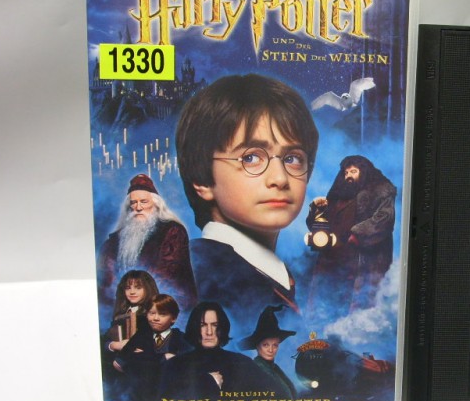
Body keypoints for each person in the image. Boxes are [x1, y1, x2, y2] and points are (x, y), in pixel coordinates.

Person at [175, 74, 319, 335]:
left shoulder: (271, 273)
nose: (280, 178)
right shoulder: (203, 277)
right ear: (202, 180)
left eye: (293, 158)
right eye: (251, 157)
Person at [306, 155, 396, 311]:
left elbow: (384, 219)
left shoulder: (379, 191)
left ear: (364, 172)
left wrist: (357, 234)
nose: (348, 176)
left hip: (359, 260)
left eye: (353, 171)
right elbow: (317, 228)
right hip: (332, 259)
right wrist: (316, 210)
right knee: (325, 304)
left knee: (357, 305)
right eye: (346, 172)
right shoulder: (338, 196)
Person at [97, 174, 196, 311]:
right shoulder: (115, 241)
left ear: (156, 205)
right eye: (133, 203)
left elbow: (166, 276)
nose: (138, 207)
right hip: (125, 306)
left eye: (144, 202)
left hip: (164, 307)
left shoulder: (172, 231)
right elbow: (106, 279)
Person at [159, 301, 287, 401]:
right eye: (203, 325)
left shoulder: (241, 363)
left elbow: (278, 396)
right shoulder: (176, 365)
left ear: (222, 328)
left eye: (215, 325)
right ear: (194, 328)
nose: (209, 332)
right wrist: (206, 382)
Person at [113, 293, 191, 401]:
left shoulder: (181, 338)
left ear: (173, 318)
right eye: (151, 313)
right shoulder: (140, 336)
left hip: (170, 399)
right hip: (138, 398)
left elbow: (187, 366)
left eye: (162, 314)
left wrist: (139, 359)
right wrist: (163, 358)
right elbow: (118, 363)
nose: (155, 318)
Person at [239, 305, 298, 398]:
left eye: (275, 345)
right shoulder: (254, 371)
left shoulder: (275, 369)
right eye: (265, 345)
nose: (271, 350)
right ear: (257, 346)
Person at [103, 269, 158, 354]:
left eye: (138, 288)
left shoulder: (153, 315)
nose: (132, 292)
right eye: (128, 288)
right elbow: (105, 340)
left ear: (148, 289)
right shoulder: (121, 314)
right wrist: (114, 345)